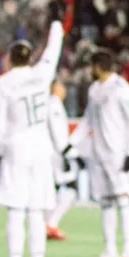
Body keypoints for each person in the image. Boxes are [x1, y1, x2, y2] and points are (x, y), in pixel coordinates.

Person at [0, 20, 65, 257]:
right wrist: (56, 25)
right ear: (30, 58)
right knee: (36, 211)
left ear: (10, 59)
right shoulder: (42, 74)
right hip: (41, 148)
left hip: (16, 148)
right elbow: (53, 50)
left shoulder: (2, 84)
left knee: (15, 210)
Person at [69, 50, 129, 257]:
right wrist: (71, 144)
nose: (89, 71)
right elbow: (88, 122)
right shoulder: (94, 89)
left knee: (123, 199)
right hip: (98, 154)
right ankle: (109, 251)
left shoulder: (122, 89)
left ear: (98, 67)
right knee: (105, 202)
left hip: (118, 153)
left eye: (91, 66)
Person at [45, 80, 79, 241]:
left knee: (55, 190)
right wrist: (68, 152)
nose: (64, 89)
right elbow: (57, 133)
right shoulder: (54, 105)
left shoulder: (51, 104)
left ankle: (48, 224)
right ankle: (50, 223)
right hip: (57, 156)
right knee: (70, 188)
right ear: (55, 87)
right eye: (61, 85)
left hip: (53, 154)